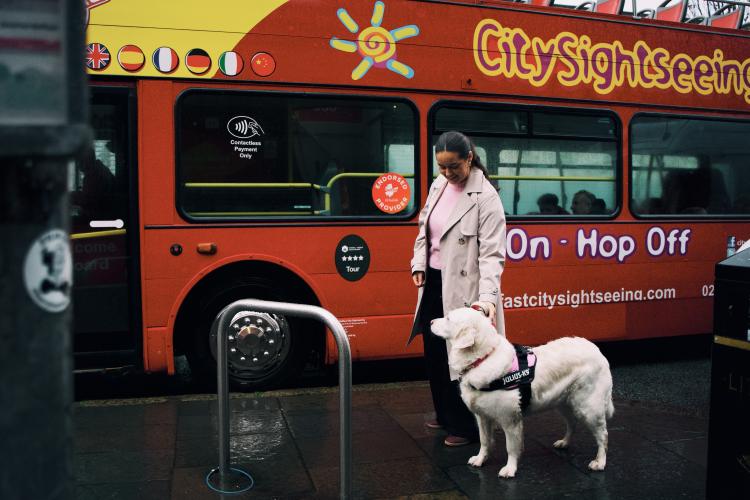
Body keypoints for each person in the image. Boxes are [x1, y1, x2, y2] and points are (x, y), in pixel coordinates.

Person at [408, 130, 507, 447]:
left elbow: (493, 255)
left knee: (463, 357)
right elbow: (424, 227)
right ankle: (444, 411)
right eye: (442, 167)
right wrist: (418, 264)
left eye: (454, 167)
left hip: (466, 288)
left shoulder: (487, 196)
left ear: (469, 158)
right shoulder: (439, 185)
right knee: (435, 351)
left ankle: (465, 425)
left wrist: (487, 301)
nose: (448, 174)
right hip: (435, 280)